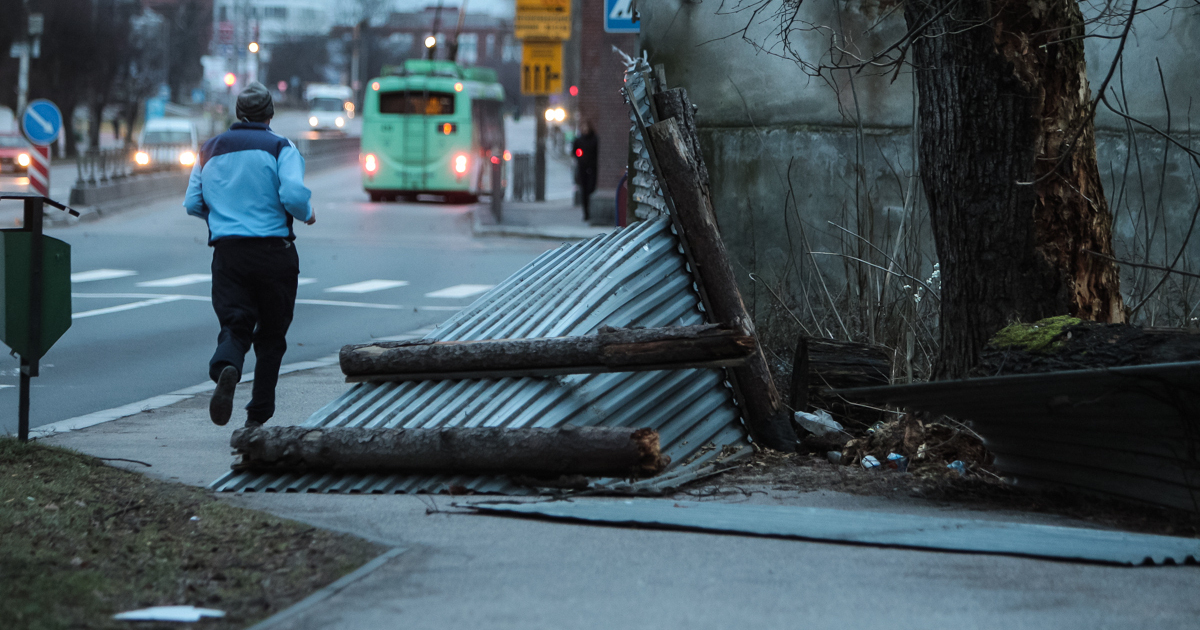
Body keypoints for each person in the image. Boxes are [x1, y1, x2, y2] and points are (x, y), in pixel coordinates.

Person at [183, 81, 316, 429]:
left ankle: (227, 365)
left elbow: (192, 203)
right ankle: (257, 418)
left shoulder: (209, 149)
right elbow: (294, 194)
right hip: (274, 254)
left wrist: (224, 218)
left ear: (238, 113)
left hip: (229, 254)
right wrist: (307, 213)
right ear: (270, 114)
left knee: (235, 322)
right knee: (271, 337)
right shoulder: (280, 147)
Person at [572, 121, 598, 221]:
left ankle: (591, 212)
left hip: (592, 168)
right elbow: (575, 152)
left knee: (591, 189)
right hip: (582, 168)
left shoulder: (594, 139)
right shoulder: (579, 140)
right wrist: (579, 158)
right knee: (584, 191)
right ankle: (586, 213)